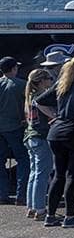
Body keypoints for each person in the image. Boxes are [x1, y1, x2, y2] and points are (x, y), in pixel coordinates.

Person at [36, 55, 74, 227]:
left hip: (56, 132)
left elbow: (38, 101)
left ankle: (50, 215)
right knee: (73, 174)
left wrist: (55, 116)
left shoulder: (62, 84)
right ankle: (70, 216)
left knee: (58, 174)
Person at [23, 69, 55, 219]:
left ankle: (31, 206)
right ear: (41, 81)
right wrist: (57, 116)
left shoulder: (29, 96)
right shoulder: (40, 97)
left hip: (30, 136)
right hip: (41, 136)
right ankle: (40, 209)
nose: (51, 80)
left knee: (34, 173)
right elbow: (48, 111)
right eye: (49, 78)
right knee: (42, 174)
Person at [0, 57, 30, 206]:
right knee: (24, 160)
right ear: (13, 69)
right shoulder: (21, 85)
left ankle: (2, 194)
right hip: (15, 127)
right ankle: (21, 195)